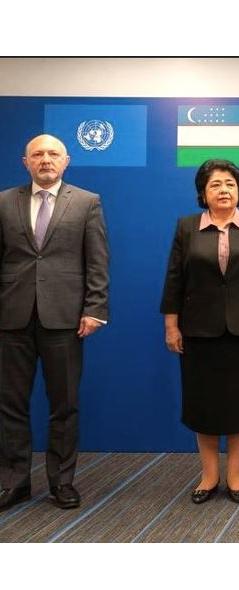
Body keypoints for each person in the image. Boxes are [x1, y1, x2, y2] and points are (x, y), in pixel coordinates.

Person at [161, 159, 239, 505]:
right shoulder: (187, 227)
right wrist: (171, 325)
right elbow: (174, 278)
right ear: (203, 193)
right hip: (199, 330)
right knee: (203, 404)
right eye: (215, 184)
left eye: (230, 184)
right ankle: (209, 474)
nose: (224, 190)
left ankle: (236, 475)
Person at [0, 134, 109, 512]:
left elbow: (97, 260)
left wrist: (95, 308)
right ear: (25, 162)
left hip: (65, 318)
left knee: (64, 404)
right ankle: (14, 482)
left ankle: (62, 482)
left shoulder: (87, 202)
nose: (45, 160)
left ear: (66, 161)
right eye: (38, 154)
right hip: (11, 317)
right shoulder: (3, 201)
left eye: (53, 154)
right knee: (10, 404)